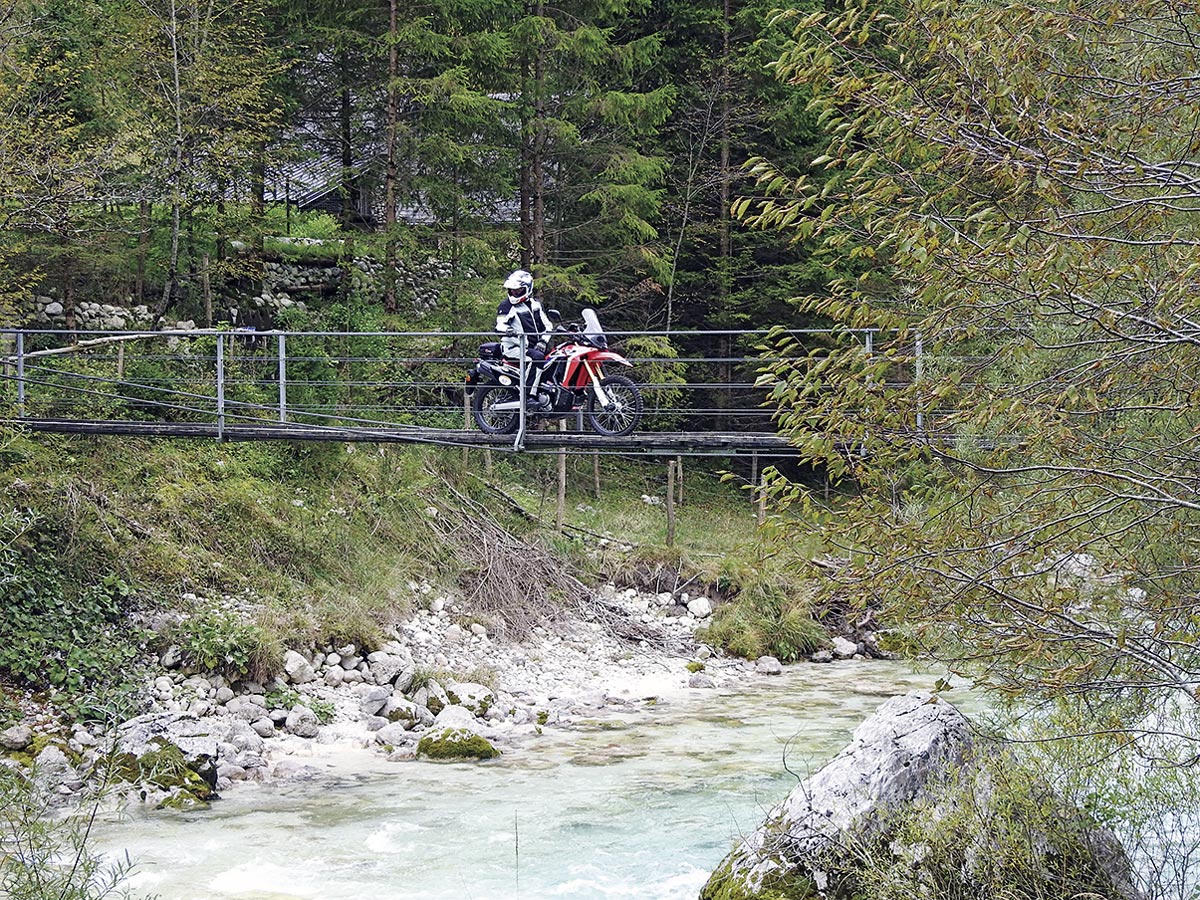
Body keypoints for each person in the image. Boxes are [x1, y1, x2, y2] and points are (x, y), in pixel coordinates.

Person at [495, 269, 554, 394]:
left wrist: (543, 341)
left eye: (517, 290)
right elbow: (499, 325)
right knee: (536, 359)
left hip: (534, 347)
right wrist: (508, 330)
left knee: (556, 357)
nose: (514, 292)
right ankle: (527, 396)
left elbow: (548, 326)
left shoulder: (535, 304)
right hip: (515, 347)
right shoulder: (506, 306)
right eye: (511, 290)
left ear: (527, 289)